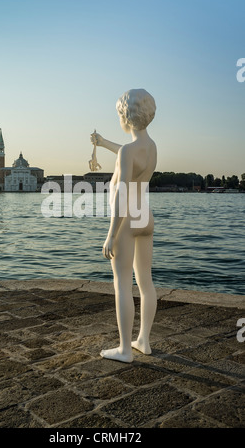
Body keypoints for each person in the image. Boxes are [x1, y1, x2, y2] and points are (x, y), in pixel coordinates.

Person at [91, 88, 157, 363]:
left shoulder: (130, 151)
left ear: (127, 116)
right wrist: (104, 143)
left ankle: (125, 350)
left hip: (126, 220)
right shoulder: (149, 146)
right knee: (145, 282)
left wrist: (110, 235)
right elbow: (126, 154)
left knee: (122, 284)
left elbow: (121, 194)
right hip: (145, 216)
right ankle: (143, 341)